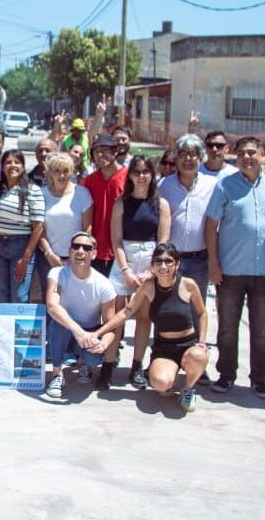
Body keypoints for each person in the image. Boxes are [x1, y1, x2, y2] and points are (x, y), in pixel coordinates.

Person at [205, 136, 265, 398]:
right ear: (236, 157)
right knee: (228, 327)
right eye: (242, 153)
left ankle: (259, 379)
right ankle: (226, 374)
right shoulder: (225, 186)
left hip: (264, 271)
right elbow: (210, 227)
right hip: (230, 270)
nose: (247, 157)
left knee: (261, 329)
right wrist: (214, 264)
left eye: (252, 152)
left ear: (263, 154)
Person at [97, 243, 209, 412]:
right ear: (152, 265)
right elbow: (125, 313)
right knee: (161, 385)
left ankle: (188, 389)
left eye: (169, 261)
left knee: (199, 355)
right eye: (159, 261)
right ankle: (165, 376)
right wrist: (99, 332)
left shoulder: (189, 285)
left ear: (177, 264)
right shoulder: (148, 286)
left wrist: (202, 341)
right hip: (164, 348)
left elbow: (202, 313)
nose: (163, 266)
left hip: (188, 345)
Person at [154, 133, 217, 388]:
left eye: (193, 155)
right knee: (167, 311)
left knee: (195, 311)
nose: (188, 159)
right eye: (183, 154)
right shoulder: (164, 185)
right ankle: (162, 358)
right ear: (175, 158)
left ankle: (195, 363)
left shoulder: (213, 185)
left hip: (200, 259)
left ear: (200, 158)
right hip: (171, 262)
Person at [105, 155, 171, 388]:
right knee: (116, 317)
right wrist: (125, 270)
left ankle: (136, 367)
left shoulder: (161, 204)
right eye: (137, 171)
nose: (141, 176)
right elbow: (117, 239)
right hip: (124, 261)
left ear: (152, 175)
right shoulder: (121, 203)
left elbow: (163, 242)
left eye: (146, 171)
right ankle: (108, 365)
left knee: (144, 318)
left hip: (150, 262)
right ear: (130, 175)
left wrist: (151, 273)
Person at [42, 231, 117, 400]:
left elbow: (112, 326)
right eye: (76, 246)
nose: (80, 251)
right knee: (58, 322)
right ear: (70, 251)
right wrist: (77, 330)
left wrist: (104, 343)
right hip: (67, 329)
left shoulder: (104, 285)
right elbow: (52, 306)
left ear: (94, 253)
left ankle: (85, 363)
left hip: (89, 333)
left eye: (86, 248)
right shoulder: (57, 274)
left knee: (93, 359)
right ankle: (56, 374)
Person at [0, 149, 45, 304]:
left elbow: (38, 226)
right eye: (8, 162)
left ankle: (15, 329)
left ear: (23, 167)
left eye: (17, 162)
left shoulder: (33, 190)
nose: (12, 165)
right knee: (0, 294)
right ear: (2, 167)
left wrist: (26, 257)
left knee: (18, 296)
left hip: (21, 247)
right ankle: (2, 329)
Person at [34, 153, 92, 302]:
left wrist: (79, 254)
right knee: (50, 303)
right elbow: (39, 229)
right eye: (57, 171)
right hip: (48, 259)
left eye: (65, 171)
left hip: (76, 260)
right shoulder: (41, 194)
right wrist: (49, 254)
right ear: (49, 173)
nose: (61, 175)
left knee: (73, 304)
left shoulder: (82, 194)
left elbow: (87, 229)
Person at [82, 134, 127, 278]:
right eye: (96, 151)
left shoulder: (129, 177)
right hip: (96, 249)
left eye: (105, 150)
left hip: (123, 249)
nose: (100, 155)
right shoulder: (89, 181)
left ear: (115, 151)